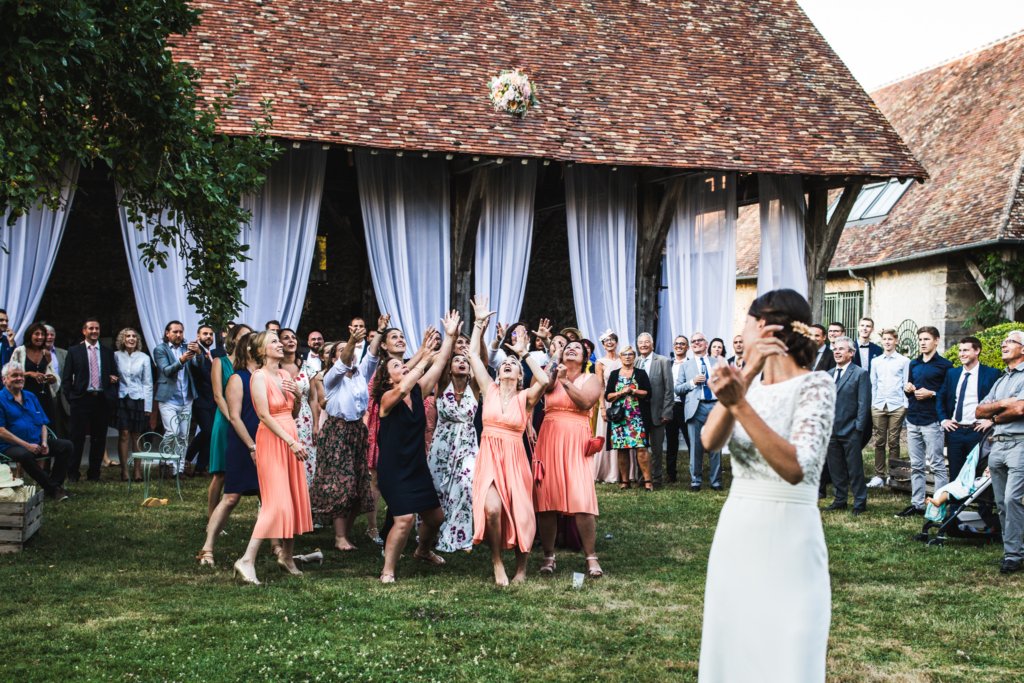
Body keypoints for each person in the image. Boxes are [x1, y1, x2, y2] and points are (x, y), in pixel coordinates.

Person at [698, 288, 835, 682]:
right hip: (739, 529)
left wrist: (740, 404)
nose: (739, 330)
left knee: (787, 649)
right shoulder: (750, 386)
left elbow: (797, 468)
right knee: (734, 643)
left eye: (744, 321)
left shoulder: (816, 385)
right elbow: (709, 442)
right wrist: (744, 381)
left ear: (762, 325)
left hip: (790, 535)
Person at [467, 296, 549, 585]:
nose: (508, 366)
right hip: (489, 455)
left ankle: (522, 567)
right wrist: (478, 324)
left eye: (513, 365)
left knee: (521, 512)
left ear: (519, 374)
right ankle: (497, 560)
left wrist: (524, 354)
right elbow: (473, 357)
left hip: (515, 458)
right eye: (506, 363)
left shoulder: (525, 399)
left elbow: (545, 381)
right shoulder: (487, 389)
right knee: (491, 509)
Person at [374, 311, 460, 583]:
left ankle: (423, 551)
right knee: (404, 519)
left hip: (416, 467)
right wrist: (423, 356)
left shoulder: (417, 391)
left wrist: (448, 337)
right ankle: (388, 569)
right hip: (393, 470)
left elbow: (441, 362)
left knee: (436, 518)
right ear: (388, 378)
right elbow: (404, 386)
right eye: (397, 367)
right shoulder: (388, 399)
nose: (403, 368)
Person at [232, 331, 313, 585]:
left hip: (290, 431)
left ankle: (287, 557)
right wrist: (290, 442)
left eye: (280, 340)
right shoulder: (259, 377)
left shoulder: (285, 375)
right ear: (261, 350)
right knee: (275, 502)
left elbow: (294, 411)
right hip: (273, 440)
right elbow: (264, 415)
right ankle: (246, 560)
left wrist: (298, 395)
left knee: (292, 497)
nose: (280, 344)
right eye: (274, 342)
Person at [310, 320, 384, 552]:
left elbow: (371, 356)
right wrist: (352, 339)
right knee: (342, 483)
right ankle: (339, 537)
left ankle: (344, 533)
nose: (347, 353)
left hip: (356, 432)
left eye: (349, 349)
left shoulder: (361, 374)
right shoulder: (331, 377)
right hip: (337, 432)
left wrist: (379, 332)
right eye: (340, 351)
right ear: (333, 359)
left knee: (359, 485)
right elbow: (343, 363)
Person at [534, 334, 604, 578]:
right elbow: (535, 388)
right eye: (567, 347)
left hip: (577, 439)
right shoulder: (551, 375)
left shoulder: (592, 378)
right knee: (546, 500)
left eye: (577, 348)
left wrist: (565, 381)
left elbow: (585, 402)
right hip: (550, 437)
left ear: (585, 357)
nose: (571, 349)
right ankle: (548, 555)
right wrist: (553, 357)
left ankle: (591, 557)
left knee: (582, 499)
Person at [197, 331, 261, 566]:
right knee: (231, 494)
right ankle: (207, 546)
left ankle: (278, 548)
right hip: (238, 433)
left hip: (263, 438)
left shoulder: (264, 375)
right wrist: (249, 442)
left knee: (268, 497)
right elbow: (223, 401)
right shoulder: (235, 376)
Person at [975, 329, 1024, 574]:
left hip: (1019, 443)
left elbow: (1021, 409)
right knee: (1001, 503)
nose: (1004, 344)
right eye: (1003, 341)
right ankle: (1012, 550)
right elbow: (978, 411)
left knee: (1012, 499)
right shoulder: (1001, 380)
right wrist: (1004, 404)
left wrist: (995, 413)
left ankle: (1014, 555)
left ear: (1023, 349)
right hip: (998, 444)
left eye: (1010, 341)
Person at [896, 326, 953, 518]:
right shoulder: (914, 364)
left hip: (932, 420)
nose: (922, 342)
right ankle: (917, 504)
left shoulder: (945, 366)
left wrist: (932, 393)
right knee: (917, 465)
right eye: (920, 339)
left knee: (937, 464)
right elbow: (909, 390)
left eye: (926, 339)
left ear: (936, 340)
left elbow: (949, 394)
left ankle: (938, 505)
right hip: (913, 419)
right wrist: (908, 388)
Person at [427, 349, 480, 554]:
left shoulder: (474, 387)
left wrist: (480, 329)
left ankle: (459, 535)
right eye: (456, 360)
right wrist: (452, 335)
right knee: (436, 486)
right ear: (449, 368)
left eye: (465, 361)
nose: (461, 362)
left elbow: (481, 360)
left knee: (466, 487)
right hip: (442, 443)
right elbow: (440, 361)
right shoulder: (441, 385)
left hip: (466, 444)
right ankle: (432, 532)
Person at [0, 362, 73, 500]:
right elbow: (1, 431)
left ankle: (55, 486)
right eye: (14, 375)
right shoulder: (0, 399)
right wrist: (27, 445)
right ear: (4, 379)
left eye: (21, 375)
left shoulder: (30, 396)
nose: (19, 378)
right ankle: (53, 488)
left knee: (66, 446)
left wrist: (44, 442)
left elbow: (42, 423)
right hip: (9, 446)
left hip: (36, 442)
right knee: (25, 455)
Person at [61, 317, 119, 482]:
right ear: (84, 331)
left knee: (99, 438)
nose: (94, 331)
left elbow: (114, 375)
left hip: (101, 399)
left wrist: (111, 389)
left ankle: (94, 474)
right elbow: (66, 379)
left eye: (97, 329)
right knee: (76, 438)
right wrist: (72, 397)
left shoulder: (108, 352)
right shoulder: (74, 351)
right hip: (81, 400)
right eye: (91, 328)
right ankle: (73, 473)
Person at [936, 336, 999, 482]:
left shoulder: (991, 374)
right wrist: (943, 419)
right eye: (960, 350)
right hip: (955, 431)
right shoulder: (952, 374)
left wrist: (991, 420)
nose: (961, 354)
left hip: (978, 431)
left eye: (966, 350)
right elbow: (940, 397)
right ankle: (956, 505)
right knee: (955, 473)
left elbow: (999, 400)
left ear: (977, 351)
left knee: (980, 472)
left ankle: (983, 505)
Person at [207, 324, 252, 518]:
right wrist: (232, 419)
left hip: (247, 419)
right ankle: (211, 516)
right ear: (233, 339)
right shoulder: (220, 361)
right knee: (221, 472)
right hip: (225, 419)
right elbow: (218, 395)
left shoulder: (250, 365)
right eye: (244, 336)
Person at [822, 336, 871, 515]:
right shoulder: (827, 375)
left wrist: (858, 428)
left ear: (851, 353)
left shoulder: (860, 374)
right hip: (831, 430)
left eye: (841, 349)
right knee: (835, 468)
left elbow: (863, 404)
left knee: (854, 469)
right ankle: (840, 499)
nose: (836, 351)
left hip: (851, 430)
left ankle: (859, 501)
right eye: (835, 348)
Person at [676, 332, 723, 491]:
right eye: (693, 341)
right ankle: (695, 481)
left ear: (706, 343)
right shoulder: (685, 365)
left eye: (699, 340)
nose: (696, 343)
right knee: (695, 447)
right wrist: (692, 382)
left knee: (716, 446)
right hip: (695, 408)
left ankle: (716, 481)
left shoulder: (716, 362)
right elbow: (677, 389)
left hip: (715, 406)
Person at [153, 321, 198, 474]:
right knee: (172, 431)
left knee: (183, 435)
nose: (179, 335)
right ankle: (166, 462)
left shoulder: (188, 347)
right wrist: (181, 361)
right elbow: (166, 370)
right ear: (167, 333)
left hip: (186, 398)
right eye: (175, 332)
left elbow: (198, 366)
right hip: (168, 399)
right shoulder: (160, 349)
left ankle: (178, 470)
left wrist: (198, 354)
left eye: (181, 332)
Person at [605, 345, 653, 490]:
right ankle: (625, 481)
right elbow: (608, 396)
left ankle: (647, 481)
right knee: (622, 448)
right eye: (624, 354)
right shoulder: (614, 374)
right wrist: (620, 393)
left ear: (634, 357)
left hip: (637, 416)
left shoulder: (640, 373)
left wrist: (633, 391)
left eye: (630, 354)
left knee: (641, 448)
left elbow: (648, 393)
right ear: (620, 357)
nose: (627, 356)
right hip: (619, 418)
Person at [867, 328, 909, 488]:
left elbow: (905, 383)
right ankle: (879, 475)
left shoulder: (904, 361)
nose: (887, 342)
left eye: (890, 339)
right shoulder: (876, 361)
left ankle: (894, 474)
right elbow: (874, 384)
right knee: (879, 441)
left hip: (897, 405)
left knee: (893, 441)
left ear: (896, 341)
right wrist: (873, 403)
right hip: (878, 405)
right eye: (884, 339)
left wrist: (905, 405)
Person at [113, 328, 152, 482]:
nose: (131, 339)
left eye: (134, 336)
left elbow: (147, 383)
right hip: (122, 398)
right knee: (123, 434)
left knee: (136, 435)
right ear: (122, 339)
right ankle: (124, 471)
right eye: (128, 336)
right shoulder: (116, 356)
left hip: (138, 399)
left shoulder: (144, 358)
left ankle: (137, 471)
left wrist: (148, 406)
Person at [635, 332, 674, 487]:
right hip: (638, 414)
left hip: (657, 413)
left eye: (647, 342)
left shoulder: (663, 361)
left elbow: (669, 389)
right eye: (641, 342)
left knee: (657, 449)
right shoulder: (635, 361)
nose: (643, 345)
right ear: (637, 345)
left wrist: (667, 411)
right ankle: (642, 478)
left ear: (652, 344)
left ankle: (657, 478)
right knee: (640, 448)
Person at [10, 322, 60, 421]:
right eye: (37, 334)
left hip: (44, 395)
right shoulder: (19, 351)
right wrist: (29, 374)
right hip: (25, 395)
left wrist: (52, 378)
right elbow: (10, 374)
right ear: (30, 335)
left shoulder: (46, 353)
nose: (40, 337)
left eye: (42, 334)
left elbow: (53, 374)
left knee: (45, 426)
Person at [185, 324, 217, 475]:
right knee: (208, 431)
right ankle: (187, 458)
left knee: (211, 433)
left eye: (211, 334)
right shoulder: (194, 351)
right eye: (205, 334)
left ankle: (201, 467)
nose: (209, 337)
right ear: (198, 336)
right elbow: (203, 373)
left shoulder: (212, 353)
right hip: (200, 399)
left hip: (214, 399)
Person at [593, 330, 622, 484]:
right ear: (603, 345)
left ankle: (622, 472)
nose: (610, 343)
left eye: (612, 340)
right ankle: (606, 472)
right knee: (606, 435)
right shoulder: (600, 362)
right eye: (606, 341)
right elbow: (600, 386)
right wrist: (602, 408)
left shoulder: (623, 359)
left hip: (623, 401)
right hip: (608, 402)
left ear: (616, 342)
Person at [666, 335, 691, 483]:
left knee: (690, 440)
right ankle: (671, 474)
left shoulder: (691, 364)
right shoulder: (668, 364)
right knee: (671, 441)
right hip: (670, 406)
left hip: (686, 406)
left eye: (682, 344)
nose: (679, 346)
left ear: (687, 347)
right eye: (676, 344)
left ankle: (694, 472)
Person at [44, 325, 70, 438]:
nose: (49, 337)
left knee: (66, 429)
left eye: (52, 334)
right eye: (46, 334)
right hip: (45, 396)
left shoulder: (64, 353)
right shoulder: (35, 354)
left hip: (63, 397)